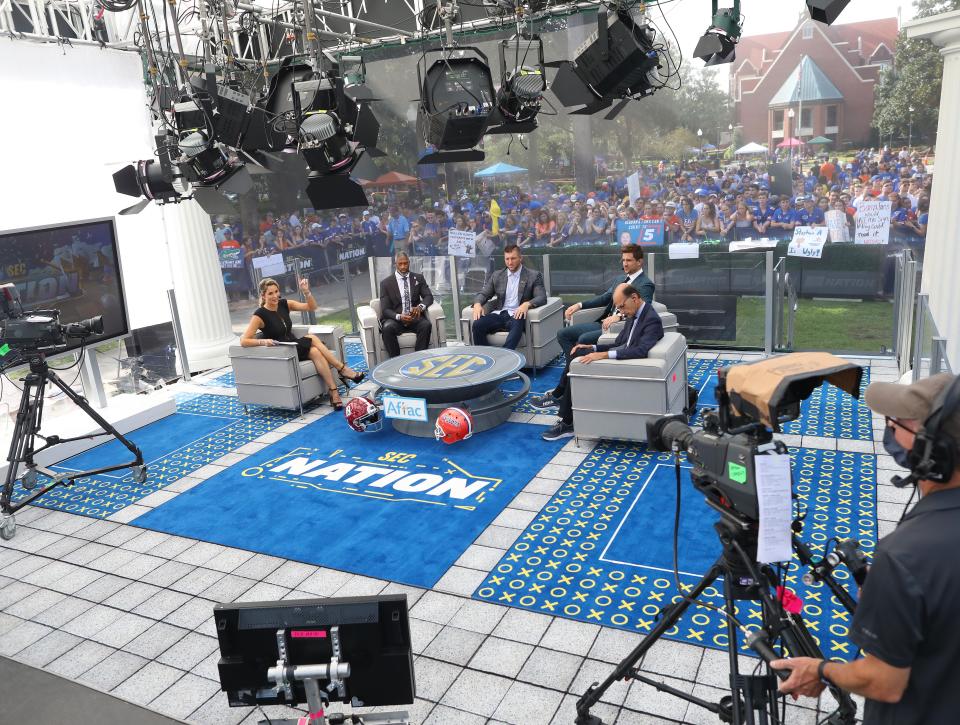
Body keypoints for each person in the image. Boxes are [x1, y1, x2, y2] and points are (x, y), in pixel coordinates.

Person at [773, 373, 960, 724]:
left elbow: (884, 682)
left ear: (933, 448)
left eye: (898, 423)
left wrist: (822, 669)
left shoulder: (905, 554)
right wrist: (900, 594)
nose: (889, 430)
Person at [540, 283, 664, 440]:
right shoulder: (633, 314)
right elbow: (619, 342)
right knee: (578, 351)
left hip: (626, 365)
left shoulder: (651, 319)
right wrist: (592, 347)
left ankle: (568, 422)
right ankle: (561, 395)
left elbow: (640, 351)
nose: (621, 311)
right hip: (620, 356)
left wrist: (603, 355)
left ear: (634, 298)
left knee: (579, 365)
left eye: (622, 306)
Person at [240, 277, 364, 410]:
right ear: (263, 296)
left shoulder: (284, 304)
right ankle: (343, 369)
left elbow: (311, 307)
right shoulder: (259, 315)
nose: (275, 296)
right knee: (313, 338)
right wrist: (263, 341)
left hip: (294, 344)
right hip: (284, 350)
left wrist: (306, 292)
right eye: (270, 293)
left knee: (315, 351)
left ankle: (333, 391)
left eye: (276, 291)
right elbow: (244, 341)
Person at [544, 244, 653, 371]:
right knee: (563, 334)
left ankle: (570, 376)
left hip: (618, 328)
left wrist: (619, 316)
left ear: (640, 262)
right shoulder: (620, 279)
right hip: (603, 323)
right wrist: (579, 305)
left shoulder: (646, 284)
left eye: (629, 260)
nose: (625, 264)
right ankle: (573, 369)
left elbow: (644, 309)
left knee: (584, 339)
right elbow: (604, 298)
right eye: (623, 260)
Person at [471, 244, 546, 350]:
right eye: (507, 259)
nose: (510, 262)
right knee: (477, 325)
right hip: (500, 313)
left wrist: (526, 304)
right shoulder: (497, 275)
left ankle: (506, 358)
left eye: (513, 258)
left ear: (520, 258)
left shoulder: (533, 275)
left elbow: (541, 297)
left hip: (517, 314)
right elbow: (484, 293)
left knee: (517, 324)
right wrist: (478, 304)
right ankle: (488, 356)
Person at [378, 251, 434, 359]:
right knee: (387, 328)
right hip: (396, 318)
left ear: (409, 263)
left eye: (405, 263)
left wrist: (420, 307)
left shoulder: (418, 278)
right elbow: (385, 309)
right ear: (395, 264)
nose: (403, 267)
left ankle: (418, 358)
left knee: (426, 325)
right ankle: (395, 360)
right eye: (400, 264)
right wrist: (399, 316)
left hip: (414, 317)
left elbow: (428, 297)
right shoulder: (386, 283)